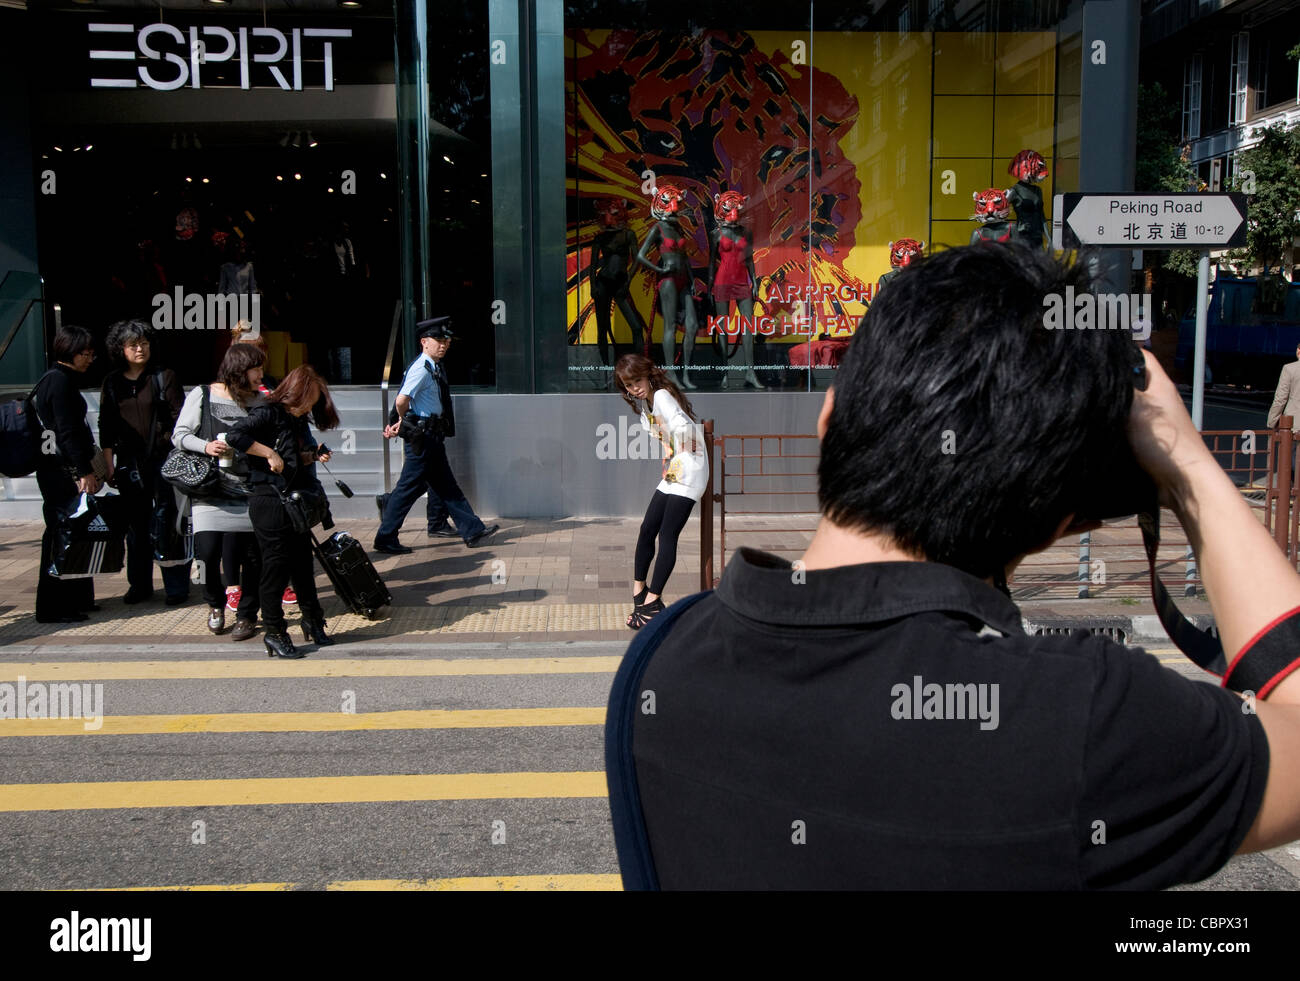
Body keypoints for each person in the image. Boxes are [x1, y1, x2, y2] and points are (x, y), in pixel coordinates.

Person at [609, 242, 1300, 889]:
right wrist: (1185, 464)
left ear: (828, 420)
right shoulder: (1080, 717)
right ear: (1065, 519)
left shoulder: (658, 666)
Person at [226, 365, 339, 658]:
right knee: (274, 568)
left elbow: (291, 459)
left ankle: (313, 620)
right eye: (307, 401)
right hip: (269, 501)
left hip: (293, 500)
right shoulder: (269, 412)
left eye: (313, 403)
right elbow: (234, 436)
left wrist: (313, 455)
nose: (309, 408)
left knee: (303, 565)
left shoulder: (296, 420)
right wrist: (268, 453)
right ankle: (275, 631)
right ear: (294, 393)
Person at [373, 317, 497, 555]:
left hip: (431, 436)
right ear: (424, 342)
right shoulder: (421, 368)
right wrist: (401, 419)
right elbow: (402, 399)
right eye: (438, 340)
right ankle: (385, 536)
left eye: (446, 340)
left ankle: (471, 529)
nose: (444, 344)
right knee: (408, 489)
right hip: (423, 437)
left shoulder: (433, 366)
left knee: (446, 486)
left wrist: (402, 420)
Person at [172, 342, 267, 641]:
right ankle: (215, 604)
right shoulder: (203, 394)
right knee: (208, 552)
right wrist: (207, 446)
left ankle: (248, 615)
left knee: (252, 558)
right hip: (211, 489)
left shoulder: (260, 401)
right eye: (257, 368)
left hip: (250, 490)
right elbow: (180, 435)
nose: (261, 374)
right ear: (240, 370)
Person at [98, 320, 190, 606]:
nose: (140, 349)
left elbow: (181, 419)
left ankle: (176, 586)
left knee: (168, 521)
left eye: (145, 343)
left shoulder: (165, 376)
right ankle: (139, 585)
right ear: (120, 349)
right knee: (136, 527)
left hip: (165, 461)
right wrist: (108, 463)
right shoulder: (112, 382)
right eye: (134, 345)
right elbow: (106, 425)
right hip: (129, 464)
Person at [613, 353, 707, 630]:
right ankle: (638, 591)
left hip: (691, 469)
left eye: (637, 381)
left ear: (648, 375)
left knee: (667, 534)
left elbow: (680, 426)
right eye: (628, 385)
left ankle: (653, 602)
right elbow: (667, 435)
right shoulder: (647, 404)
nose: (635, 388)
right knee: (646, 529)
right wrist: (669, 456)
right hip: (676, 468)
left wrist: (684, 443)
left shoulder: (662, 396)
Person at [30, 326, 101, 623]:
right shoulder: (58, 382)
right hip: (60, 473)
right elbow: (66, 432)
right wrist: (83, 471)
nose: (90, 359)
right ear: (70, 351)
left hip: (56, 470)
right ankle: (54, 606)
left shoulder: (56, 379)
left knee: (74, 531)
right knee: (62, 535)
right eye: (86, 353)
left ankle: (77, 598)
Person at [1267, 342, 1300, 433]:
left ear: (1298, 351)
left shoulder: (1289, 369)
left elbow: (1280, 399)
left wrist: (1272, 422)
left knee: (1290, 447)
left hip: (1295, 424)